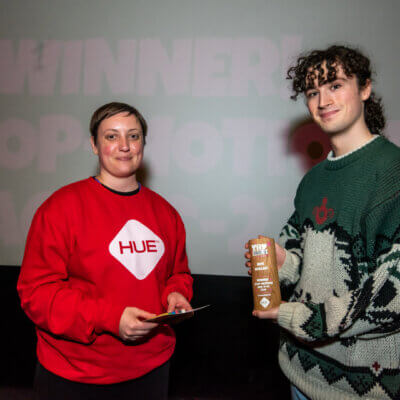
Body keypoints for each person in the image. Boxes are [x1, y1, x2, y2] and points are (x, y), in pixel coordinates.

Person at [245, 45, 400, 399]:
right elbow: (307, 263)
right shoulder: (313, 180)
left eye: (335, 86)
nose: (322, 101)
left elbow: (392, 296)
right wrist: (283, 263)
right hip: (299, 369)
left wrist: (303, 319)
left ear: (365, 88)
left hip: (361, 388)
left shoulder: (393, 174)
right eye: (312, 92)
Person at [18, 102, 193, 400]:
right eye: (112, 136)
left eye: (133, 136)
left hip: (153, 366)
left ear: (143, 143)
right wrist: (110, 318)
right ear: (94, 145)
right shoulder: (60, 208)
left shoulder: (167, 213)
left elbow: (178, 273)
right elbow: (36, 294)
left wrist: (176, 294)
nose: (124, 145)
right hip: (76, 373)